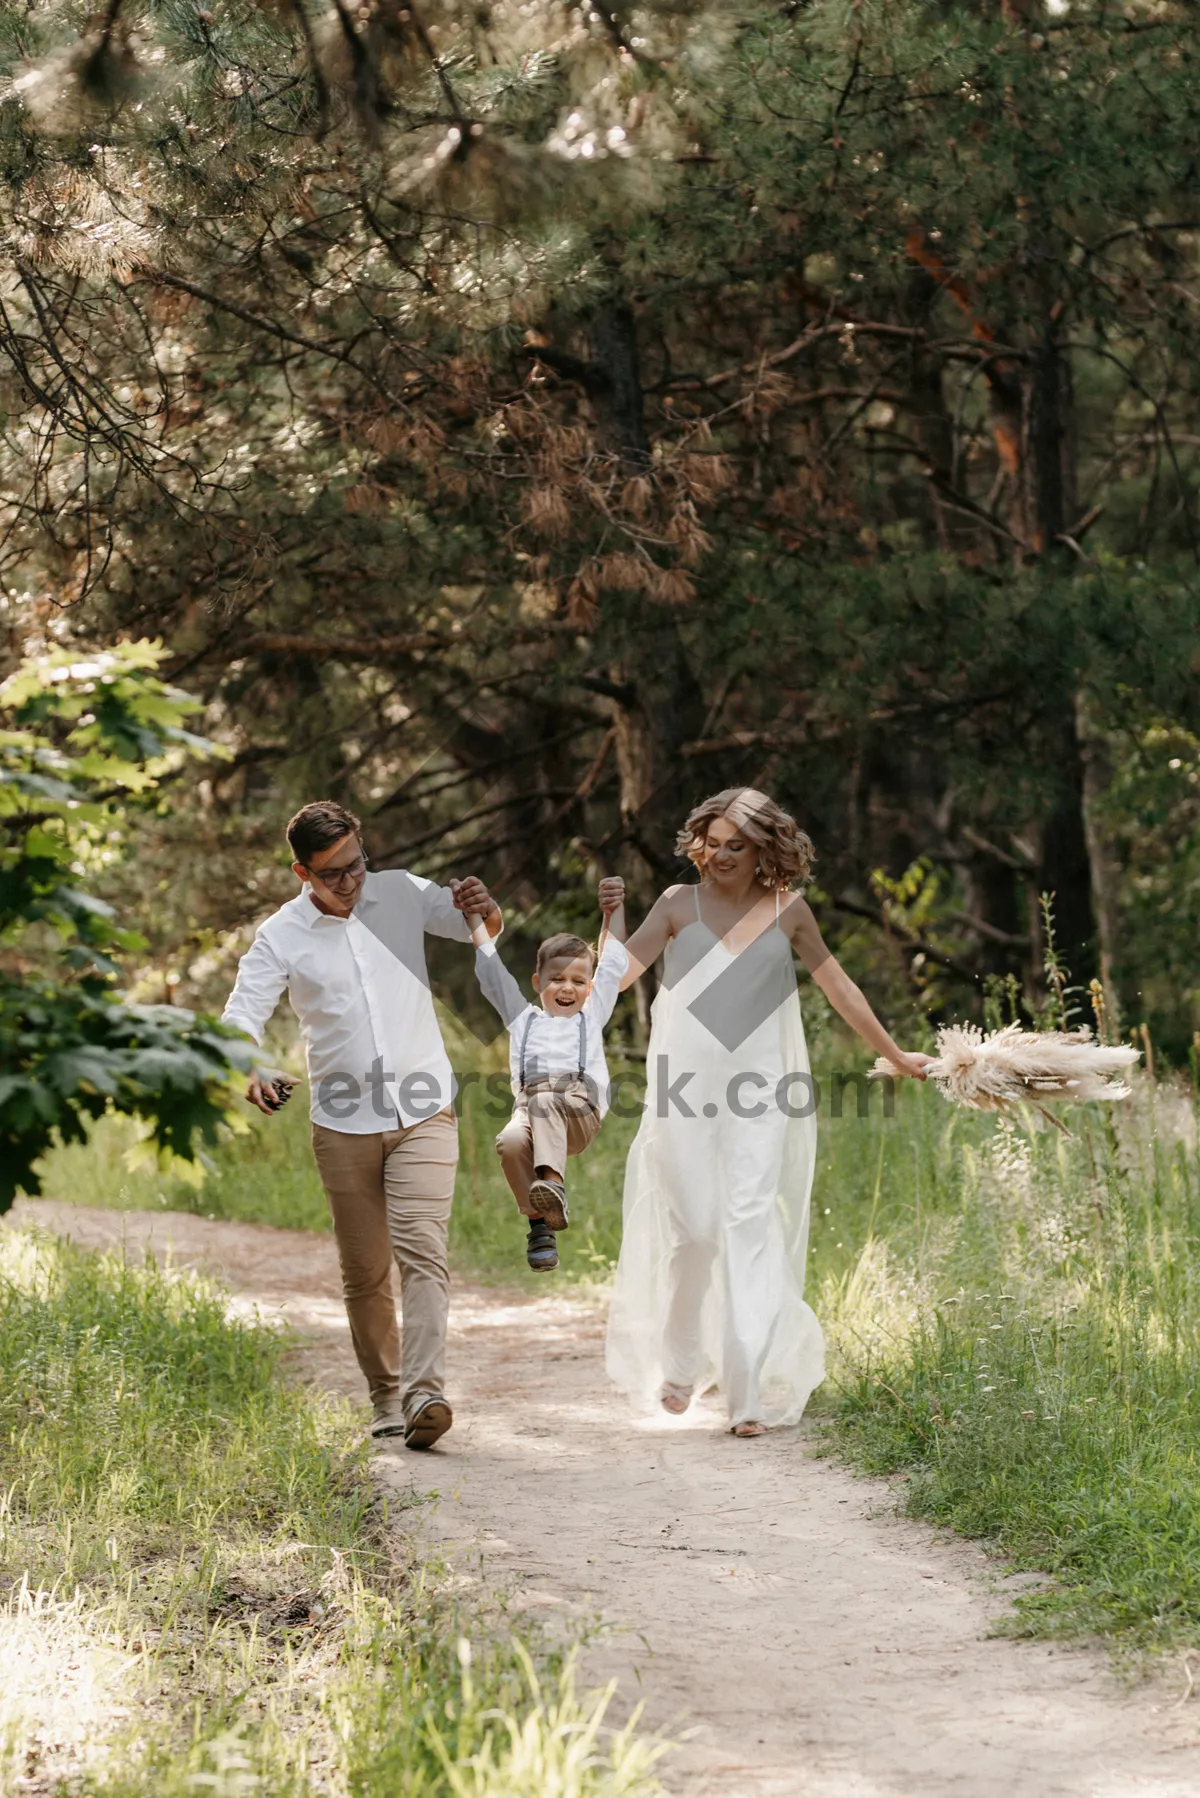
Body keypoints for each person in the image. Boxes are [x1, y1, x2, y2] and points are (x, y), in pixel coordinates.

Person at [605, 787, 930, 1438]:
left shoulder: (789, 913)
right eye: (713, 843)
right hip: (682, 1094)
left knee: (749, 1221)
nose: (721, 856)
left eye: (737, 846)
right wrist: (607, 923)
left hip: (763, 1093)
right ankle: (679, 1364)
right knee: (695, 1233)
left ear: (762, 852)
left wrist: (894, 1053)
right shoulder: (677, 906)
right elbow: (612, 979)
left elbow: (839, 986)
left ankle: (746, 1390)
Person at [220, 799, 501, 1449]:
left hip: (425, 1108)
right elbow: (241, 1017)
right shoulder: (281, 937)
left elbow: (478, 929)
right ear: (302, 873)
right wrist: (252, 1067)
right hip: (342, 1125)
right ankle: (386, 1394)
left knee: (424, 1252)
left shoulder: (399, 894)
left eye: (357, 864)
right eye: (334, 873)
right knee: (366, 1270)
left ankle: (426, 1391)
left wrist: (483, 907)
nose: (351, 882)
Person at [469, 878, 629, 1272]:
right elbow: (492, 974)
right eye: (557, 979)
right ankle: (541, 1223)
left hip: (579, 1110)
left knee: (545, 1101)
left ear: (589, 989)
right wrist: (472, 918)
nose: (567, 988)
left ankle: (552, 1183)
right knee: (508, 1141)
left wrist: (612, 912)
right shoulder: (523, 1021)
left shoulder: (591, 1016)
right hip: (530, 1111)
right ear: (538, 983)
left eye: (578, 981)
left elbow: (613, 963)